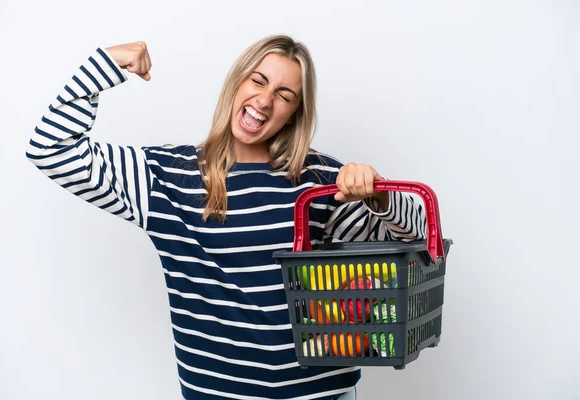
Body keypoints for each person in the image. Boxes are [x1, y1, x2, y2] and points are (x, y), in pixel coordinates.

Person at [26, 35, 425, 400]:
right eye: (258, 80)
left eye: (284, 94)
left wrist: (380, 195)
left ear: (294, 113)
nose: (265, 101)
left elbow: (415, 243)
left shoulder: (319, 179)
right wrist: (106, 64)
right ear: (237, 82)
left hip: (323, 394)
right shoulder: (167, 177)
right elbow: (50, 149)